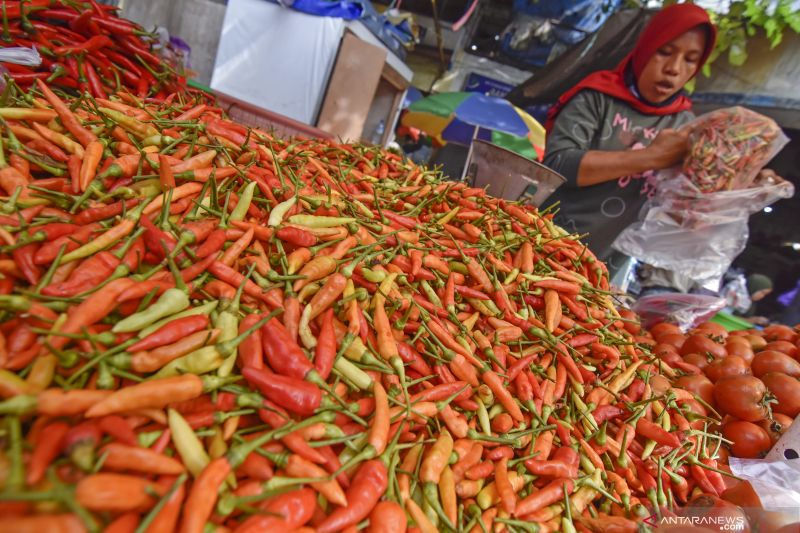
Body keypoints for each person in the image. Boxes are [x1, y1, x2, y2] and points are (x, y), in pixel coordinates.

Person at [542, 4, 716, 287]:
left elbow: (683, 208)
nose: (673, 69)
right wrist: (652, 156)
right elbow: (557, 166)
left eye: (690, 59)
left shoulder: (685, 126)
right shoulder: (597, 98)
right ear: (646, 48)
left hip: (601, 270)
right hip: (543, 243)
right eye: (665, 52)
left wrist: (740, 185)